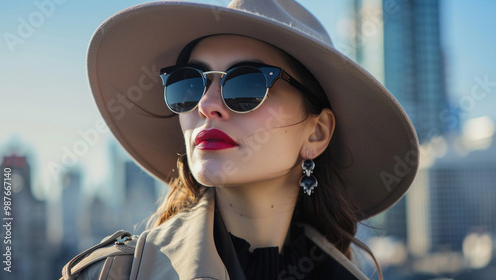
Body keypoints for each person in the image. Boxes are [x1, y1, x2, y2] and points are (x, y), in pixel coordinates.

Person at [62, 0, 419, 279]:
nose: (207, 105)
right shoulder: (110, 276)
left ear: (317, 132)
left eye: (247, 83)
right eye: (189, 83)